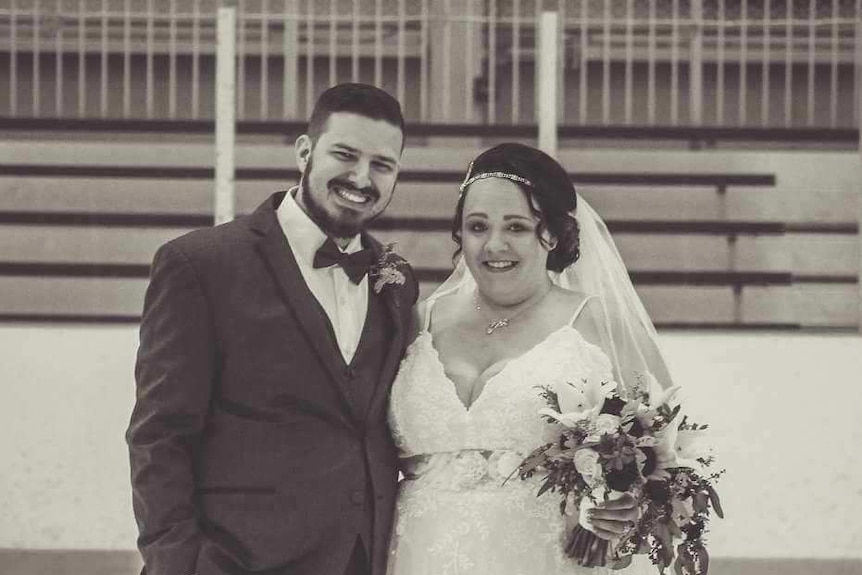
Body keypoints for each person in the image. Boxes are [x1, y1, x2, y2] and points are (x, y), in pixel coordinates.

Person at [126, 83, 418, 575]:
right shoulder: (200, 265)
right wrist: (179, 564)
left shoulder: (397, 280)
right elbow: (160, 436)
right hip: (234, 562)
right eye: (344, 155)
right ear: (304, 152)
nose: (361, 177)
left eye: (382, 165)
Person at [386, 143, 672, 574]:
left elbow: (666, 464)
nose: (493, 245)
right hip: (415, 557)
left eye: (517, 227)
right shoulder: (416, 321)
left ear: (553, 234)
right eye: (477, 226)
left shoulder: (597, 325)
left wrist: (624, 508)